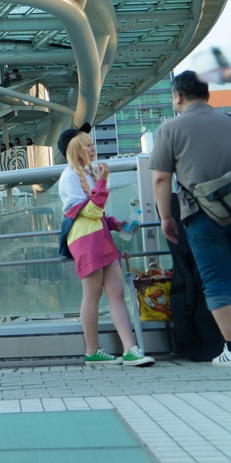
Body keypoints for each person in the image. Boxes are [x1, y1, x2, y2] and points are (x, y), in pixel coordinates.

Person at [150, 70, 231, 366]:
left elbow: (160, 179)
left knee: (217, 281)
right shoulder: (227, 121)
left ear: (179, 96)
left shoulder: (170, 129)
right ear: (207, 95)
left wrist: (165, 217)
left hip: (200, 216)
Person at [57, 126, 154, 367]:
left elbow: (96, 213)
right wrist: (103, 181)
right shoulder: (69, 176)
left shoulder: (86, 174)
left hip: (100, 238)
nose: (93, 147)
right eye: (87, 144)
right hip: (87, 242)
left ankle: (130, 349)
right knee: (93, 294)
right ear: (76, 148)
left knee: (116, 292)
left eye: (92, 143)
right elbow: (90, 211)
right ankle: (92, 350)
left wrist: (117, 224)